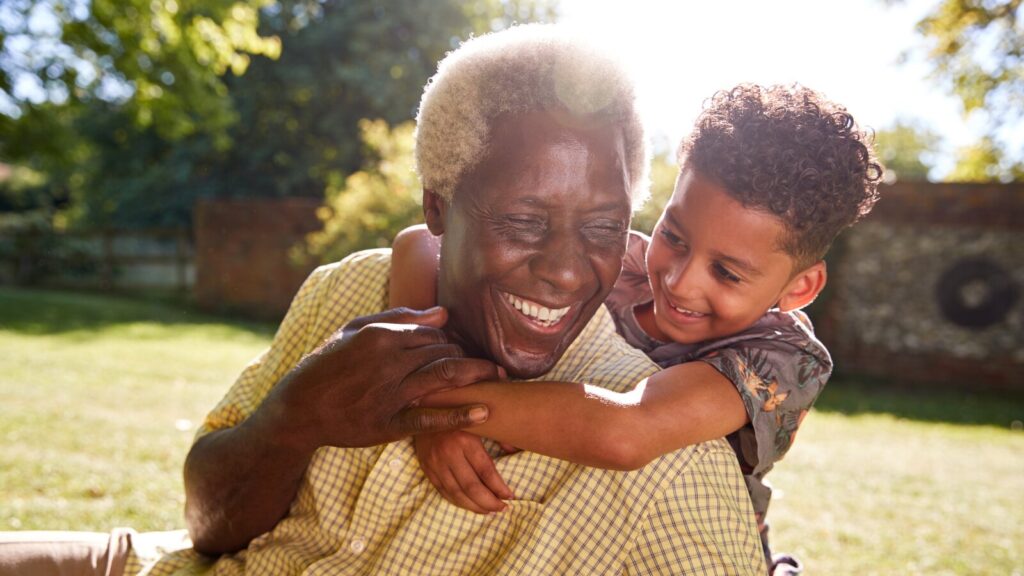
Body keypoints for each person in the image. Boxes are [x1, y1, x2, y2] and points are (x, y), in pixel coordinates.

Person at [0, 24, 767, 575]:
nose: (567, 271)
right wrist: (294, 417)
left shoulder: (668, 474)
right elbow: (205, 528)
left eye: (602, 227)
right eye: (524, 223)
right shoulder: (350, 290)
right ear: (438, 208)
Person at [388, 83, 883, 575]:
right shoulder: (619, 263)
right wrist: (427, 372)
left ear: (800, 288)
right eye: (674, 236)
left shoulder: (782, 358)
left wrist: (435, 406)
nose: (680, 280)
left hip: (690, 548)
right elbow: (419, 244)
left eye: (727, 273)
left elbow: (626, 432)